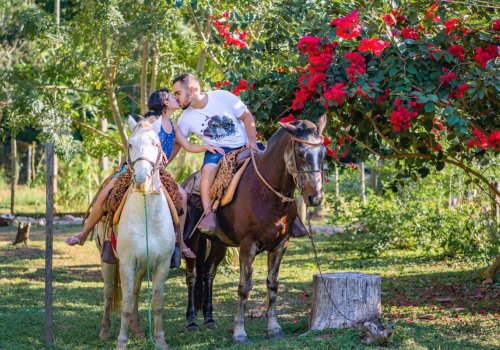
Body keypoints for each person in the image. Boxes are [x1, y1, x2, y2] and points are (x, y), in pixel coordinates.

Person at [65, 89, 224, 258]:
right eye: (171, 96)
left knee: (183, 197)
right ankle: (83, 234)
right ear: (165, 102)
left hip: (159, 170)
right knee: (105, 194)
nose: (176, 98)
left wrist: (205, 147)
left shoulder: (174, 125)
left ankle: (179, 241)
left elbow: (188, 146)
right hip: (136, 167)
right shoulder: (150, 121)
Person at [172, 73, 260, 234]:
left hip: (244, 144)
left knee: (275, 163)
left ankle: (292, 215)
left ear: (192, 89)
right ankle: (209, 216)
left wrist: (252, 142)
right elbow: (179, 144)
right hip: (218, 151)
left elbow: (247, 117)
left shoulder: (223, 97)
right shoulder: (185, 118)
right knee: (207, 171)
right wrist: (162, 162)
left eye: (178, 93)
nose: (175, 97)